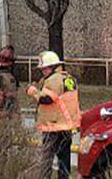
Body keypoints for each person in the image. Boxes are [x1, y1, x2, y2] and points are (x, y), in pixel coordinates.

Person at [26, 50, 80, 179]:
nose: (43, 71)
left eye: (44, 68)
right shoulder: (69, 78)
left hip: (53, 126)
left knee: (46, 158)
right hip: (67, 126)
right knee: (64, 159)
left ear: (52, 67)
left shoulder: (53, 80)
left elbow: (46, 99)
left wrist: (32, 91)